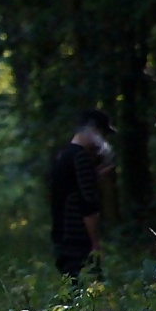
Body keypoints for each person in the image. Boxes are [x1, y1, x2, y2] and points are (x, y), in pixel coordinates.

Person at [49, 109, 116, 282]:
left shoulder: (63, 155)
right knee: (89, 290)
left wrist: (94, 177)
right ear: (93, 130)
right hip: (77, 238)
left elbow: (69, 188)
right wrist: (95, 243)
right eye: (102, 133)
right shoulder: (81, 158)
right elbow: (88, 204)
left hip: (62, 235)